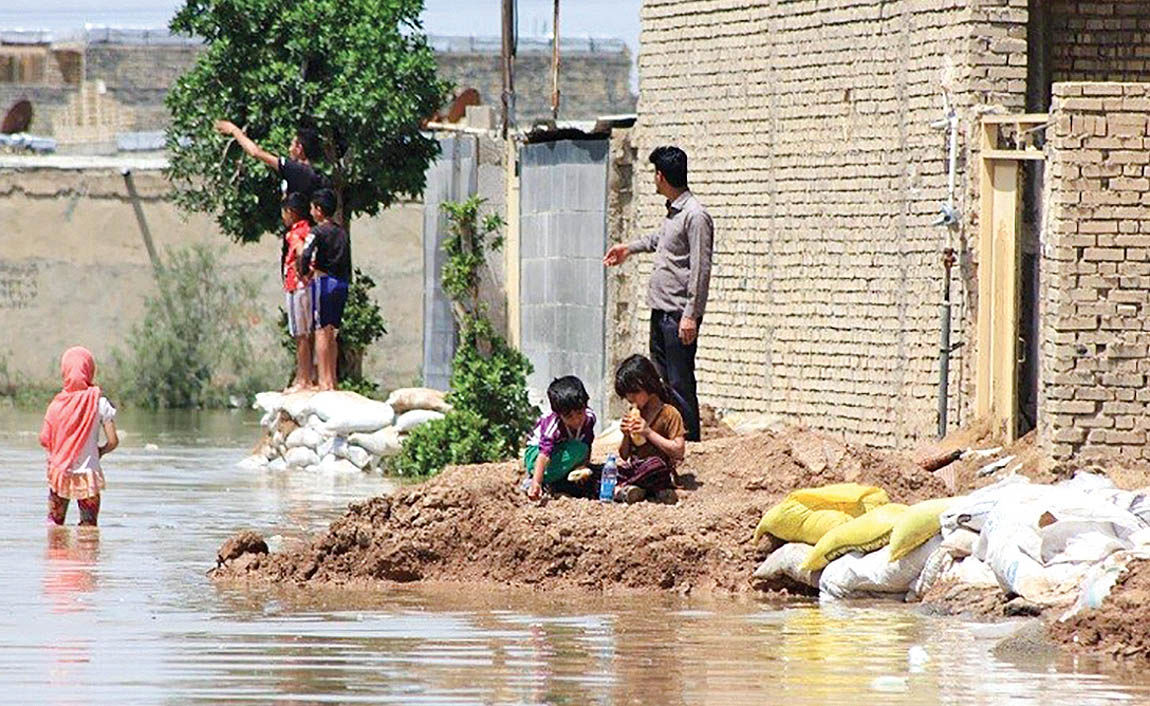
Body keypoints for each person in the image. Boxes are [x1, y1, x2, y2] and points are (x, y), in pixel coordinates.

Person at [603, 145, 713, 442]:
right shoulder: (674, 212)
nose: (654, 179)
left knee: (680, 380)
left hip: (679, 314)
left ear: (661, 176)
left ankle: (688, 442)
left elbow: (701, 269)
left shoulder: (695, 215)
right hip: (661, 310)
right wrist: (628, 248)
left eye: (654, 173)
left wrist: (691, 315)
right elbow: (660, 241)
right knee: (662, 380)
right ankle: (669, 438)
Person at [39, 347, 118, 526]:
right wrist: (100, 452)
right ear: (90, 370)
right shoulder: (100, 403)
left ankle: (57, 555)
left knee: (55, 528)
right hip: (89, 477)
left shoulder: (57, 404)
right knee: (89, 531)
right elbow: (113, 441)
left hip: (61, 475)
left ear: (64, 371)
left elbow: (44, 439)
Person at [614, 354, 685, 504]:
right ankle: (638, 490)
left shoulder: (669, 413)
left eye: (634, 393)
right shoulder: (635, 413)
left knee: (654, 465)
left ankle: (626, 488)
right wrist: (626, 435)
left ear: (647, 385)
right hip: (636, 467)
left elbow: (678, 450)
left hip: (657, 470)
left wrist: (648, 432)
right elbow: (624, 455)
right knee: (605, 470)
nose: (631, 399)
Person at [301, 188, 352, 391]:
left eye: (313, 208)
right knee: (333, 331)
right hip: (342, 283)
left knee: (321, 330)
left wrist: (304, 272)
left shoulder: (317, 232)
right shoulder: (342, 232)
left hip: (324, 282)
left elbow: (306, 254)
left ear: (319, 210)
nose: (311, 212)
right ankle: (333, 380)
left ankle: (323, 380)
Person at [524, 376, 598, 501]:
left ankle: (557, 480)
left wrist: (582, 466)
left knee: (581, 450)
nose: (576, 420)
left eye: (580, 413)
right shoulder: (553, 424)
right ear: (559, 415)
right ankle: (539, 482)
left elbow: (587, 442)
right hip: (536, 454)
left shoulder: (589, 419)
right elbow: (544, 454)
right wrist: (536, 482)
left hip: (561, 452)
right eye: (569, 417)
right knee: (577, 449)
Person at [213, 120, 327, 200]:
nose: (289, 149)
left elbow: (255, 152)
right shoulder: (312, 173)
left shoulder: (297, 170)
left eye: (292, 145)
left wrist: (234, 130)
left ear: (299, 148)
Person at [281, 192, 315, 392]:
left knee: (300, 334)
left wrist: (301, 271)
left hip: (297, 286)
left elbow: (301, 251)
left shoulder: (295, 233)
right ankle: (307, 376)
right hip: (307, 286)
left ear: (291, 213)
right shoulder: (309, 229)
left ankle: (303, 379)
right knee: (307, 333)